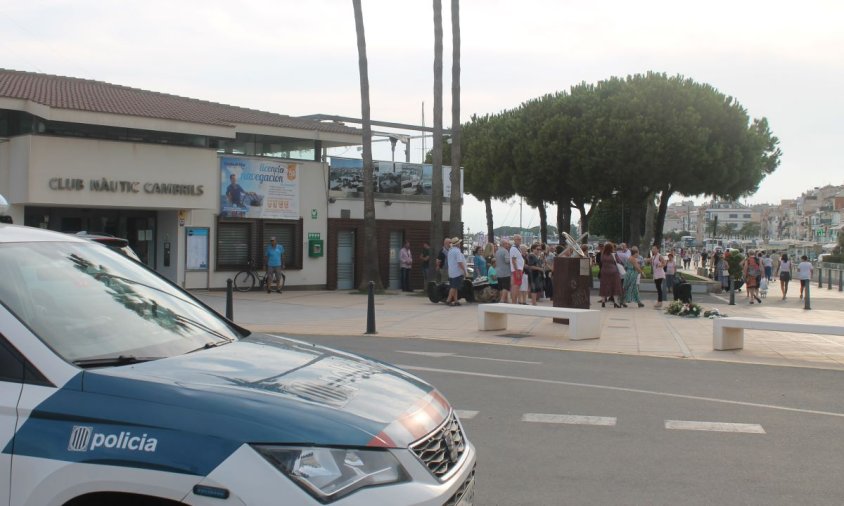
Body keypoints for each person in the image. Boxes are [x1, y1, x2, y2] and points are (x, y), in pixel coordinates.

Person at [599, 242, 623, 308]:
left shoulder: (602, 254)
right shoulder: (614, 254)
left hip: (604, 272)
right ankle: (616, 303)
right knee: (615, 286)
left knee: (604, 286)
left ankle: (603, 302)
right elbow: (619, 261)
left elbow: (601, 261)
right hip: (613, 272)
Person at [445, 237, 467, 306]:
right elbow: (460, 262)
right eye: (459, 243)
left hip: (451, 271)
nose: (460, 244)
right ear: (458, 244)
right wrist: (464, 270)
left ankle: (456, 300)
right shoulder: (457, 251)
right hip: (457, 272)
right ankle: (448, 300)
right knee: (454, 287)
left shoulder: (450, 251)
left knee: (455, 287)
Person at [510, 235, 525, 305]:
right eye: (518, 239)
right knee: (516, 285)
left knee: (517, 285)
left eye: (520, 239)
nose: (519, 240)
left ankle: (514, 301)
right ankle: (513, 301)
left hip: (519, 269)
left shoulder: (517, 248)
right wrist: (517, 272)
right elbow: (513, 261)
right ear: (514, 240)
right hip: (517, 269)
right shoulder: (513, 249)